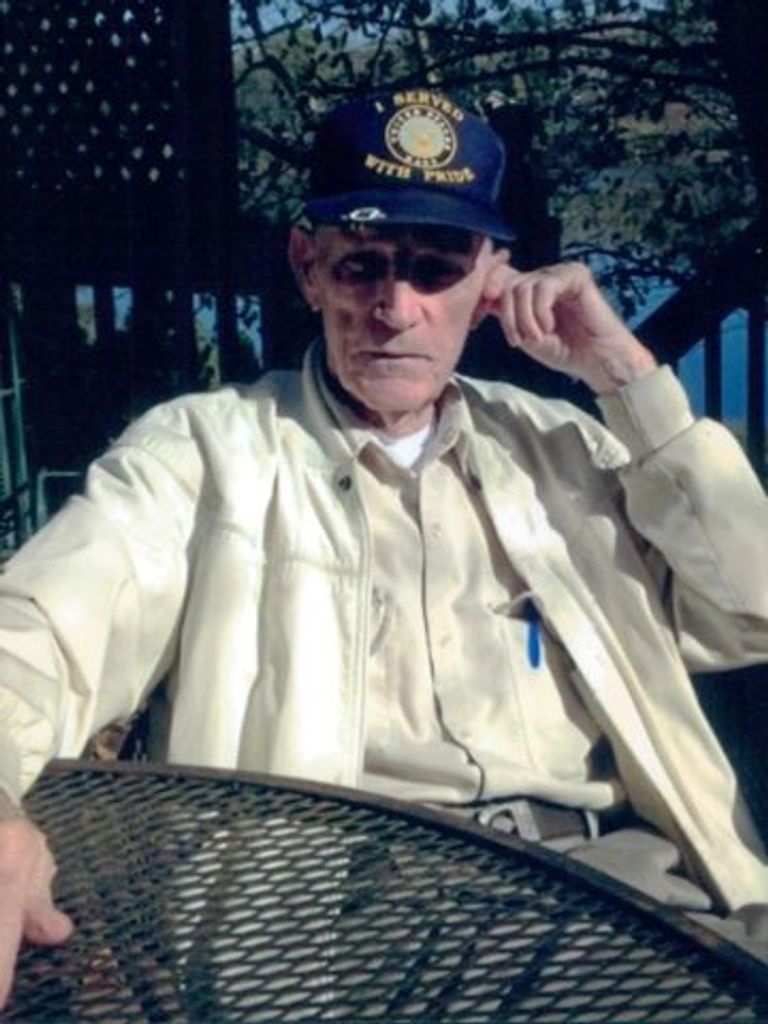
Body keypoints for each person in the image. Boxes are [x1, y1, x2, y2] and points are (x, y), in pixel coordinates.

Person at [0, 88, 767, 1002]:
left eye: (436, 269)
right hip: (356, 917)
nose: (396, 309)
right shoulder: (204, 455)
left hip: (625, 890)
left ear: (491, 281)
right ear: (308, 267)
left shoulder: (565, 448)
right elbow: (35, 634)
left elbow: (750, 615)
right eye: (362, 265)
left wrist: (630, 380)